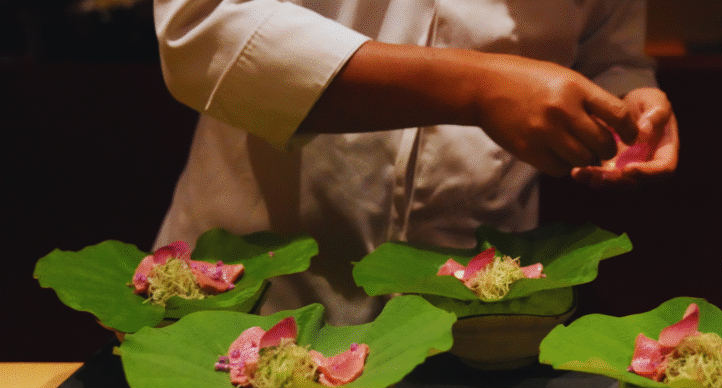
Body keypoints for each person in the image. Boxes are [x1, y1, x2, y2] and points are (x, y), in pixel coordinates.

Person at [152, 0, 678, 325]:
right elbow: (202, 29)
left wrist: (625, 99)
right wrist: (475, 86)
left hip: (482, 310)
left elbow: (609, 50)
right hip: (258, 290)